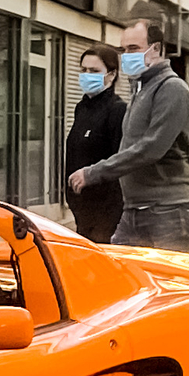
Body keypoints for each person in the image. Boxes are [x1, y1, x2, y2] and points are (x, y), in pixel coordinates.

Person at [66, 18, 189, 254]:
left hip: (168, 211)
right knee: (122, 278)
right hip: (136, 209)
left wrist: (93, 172)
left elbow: (151, 148)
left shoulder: (171, 88)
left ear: (156, 49)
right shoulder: (141, 88)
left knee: (174, 284)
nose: (127, 55)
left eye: (133, 49)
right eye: (124, 49)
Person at [61, 43, 127, 242]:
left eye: (94, 70)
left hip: (106, 213)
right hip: (81, 209)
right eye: (84, 70)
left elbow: (120, 161)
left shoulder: (117, 111)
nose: (87, 75)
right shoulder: (82, 108)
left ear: (111, 75)